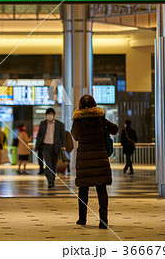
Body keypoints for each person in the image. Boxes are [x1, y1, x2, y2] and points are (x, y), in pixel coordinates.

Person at [71, 94, 118, 229]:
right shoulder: (101, 119)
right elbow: (115, 129)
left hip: (84, 160)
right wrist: (104, 122)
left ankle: (82, 219)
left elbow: (75, 136)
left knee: (83, 190)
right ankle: (103, 221)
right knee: (101, 190)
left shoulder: (77, 121)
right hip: (100, 159)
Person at [35, 108, 66, 188]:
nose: (50, 116)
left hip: (55, 147)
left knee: (54, 165)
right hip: (45, 147)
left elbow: (63, 136)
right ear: (46, 115)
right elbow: (39, 136)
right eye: (48, 114)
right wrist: (36, 146)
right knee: (48, 164)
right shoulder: (43, 123)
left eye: (51, 114)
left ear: (54, 115)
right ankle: (50, 181)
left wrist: (64, 145)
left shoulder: (59, 124)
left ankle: (52, 180)